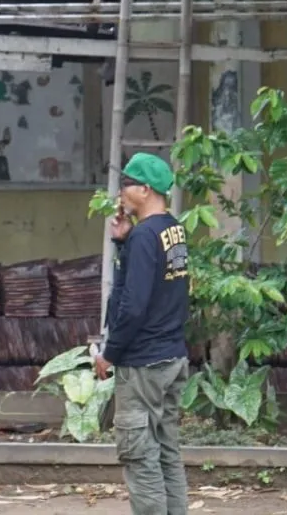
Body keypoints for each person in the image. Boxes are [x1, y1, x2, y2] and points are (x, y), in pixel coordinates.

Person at [94, 152, 191, 515]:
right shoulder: (172, 230)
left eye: (126, 184)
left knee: (140, 456)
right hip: (171, 355)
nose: (120, 192)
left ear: (145, 189)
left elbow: (132, 305)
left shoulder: (145, 236)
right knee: (166, 452)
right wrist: (122, 242)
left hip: (144, 364)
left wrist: (110, 353)